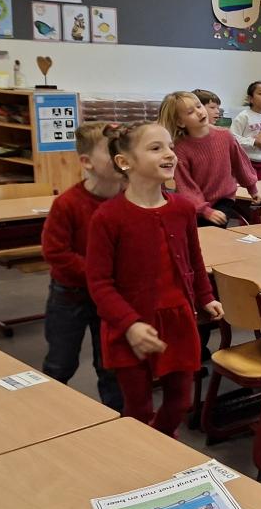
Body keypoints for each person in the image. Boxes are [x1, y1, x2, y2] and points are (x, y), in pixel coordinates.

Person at [86, 123, 223, 436]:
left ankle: (161, 443)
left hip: (178, 320)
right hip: (131, 324)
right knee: (138, 408)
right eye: (156, 148)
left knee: (180, 402)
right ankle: (144, 454)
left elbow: (194, 260)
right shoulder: (108, 217)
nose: (170, 154)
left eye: (170, 147)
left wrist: (205, 296)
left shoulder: (183, 208)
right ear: (125, 162)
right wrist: (130, 325)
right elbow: (99, 283)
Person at [40, 122, 125, 411]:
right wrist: (99, 274)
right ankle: (47, 416)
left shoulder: (129, 200)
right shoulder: (68, 204)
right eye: (111, 151)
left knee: (111, 366)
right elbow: (56, 252)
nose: (120, 157)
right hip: (71, 296)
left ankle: (119, 421)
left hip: (111, 298)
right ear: (87, 162)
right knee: (60, 363)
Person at [157, 90, 258, 227]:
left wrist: (252, 188)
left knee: (215, 229)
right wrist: (204, 210)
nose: (199, 112)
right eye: (190, 112)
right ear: (180, 122)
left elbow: (240, 164)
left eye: (199, 106)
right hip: (195, 203)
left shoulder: (225, 136)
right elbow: (186, 186)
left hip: (224, 199)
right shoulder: (180, 149)